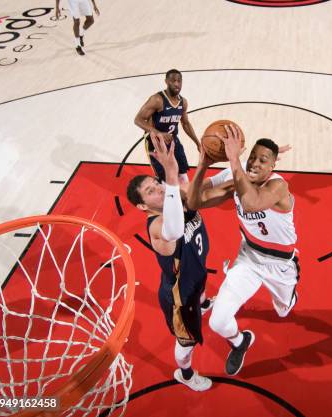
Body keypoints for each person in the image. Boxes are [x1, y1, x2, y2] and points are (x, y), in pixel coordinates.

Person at [188, 125, 299, 376]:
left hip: (280, 264)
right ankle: (240, 342)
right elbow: (194, 202)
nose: (255, 164)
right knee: (217, 321)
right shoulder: (237, 179)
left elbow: (251, 204)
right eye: (253, 157)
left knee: (284, 311)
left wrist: (235, 160)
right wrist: (204, 164)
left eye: (263, 160)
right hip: (248, 258)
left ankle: (288, 297)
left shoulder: (278, 186)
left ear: (273, 167)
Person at [125, 135, 212, 391]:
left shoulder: (177, 198)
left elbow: (205, 185)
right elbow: (174, 229)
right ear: (142, 206)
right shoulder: (158, 225)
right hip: (179, 295)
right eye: (151, 191)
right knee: (187, 342)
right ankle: (185, 374)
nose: (160, 189)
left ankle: (205, 303)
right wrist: (172, 177)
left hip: (195, 275)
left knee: (201, 283)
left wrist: (226, 164)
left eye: (156, 183)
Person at [134, 69, 201, 184]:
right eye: (173, 81)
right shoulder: (157, 99)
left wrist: (197, 143)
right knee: (164, 176)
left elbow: (185, 123)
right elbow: (138, 120)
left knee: (182, 170)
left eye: (179, 81)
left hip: (173, 140)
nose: (176, 84)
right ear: (166, 82)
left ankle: (187, 197)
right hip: (155, 142)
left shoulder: (183, 102)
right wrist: (158, 133)